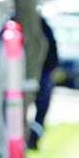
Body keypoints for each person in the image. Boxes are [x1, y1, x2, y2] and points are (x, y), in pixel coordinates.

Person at [27, 15, 58, 149]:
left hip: (43, 72)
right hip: (30, 73)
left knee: (42, 106)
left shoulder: (43, 26)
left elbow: (52, 49)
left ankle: (34, 138)